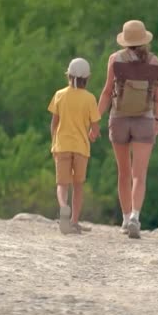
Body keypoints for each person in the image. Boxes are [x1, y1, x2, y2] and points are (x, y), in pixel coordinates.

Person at [96, 20, 158, 239]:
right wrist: (157, 120)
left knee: (123, 172)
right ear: (144, 39)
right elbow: (157, 96)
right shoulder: (154, 61)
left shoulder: (115, 59)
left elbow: (107, 92)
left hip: (119, 119)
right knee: (139, 174)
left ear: (125, 40)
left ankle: (125, 220)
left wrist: (95, 119)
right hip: (144, 119)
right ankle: (135, 216)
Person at [48, 58, 101, 234]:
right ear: (88, 77)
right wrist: (93, 135)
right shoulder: (90, 99)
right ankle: (75, 222)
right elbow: (94, 128)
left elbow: (54, 123)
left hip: (62, 145)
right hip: (81, 148)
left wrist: (54, 141)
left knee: (62, 184)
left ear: (68, 75)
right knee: (78, 185)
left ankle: (63, 207)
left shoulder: (59, 95)